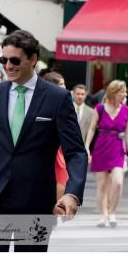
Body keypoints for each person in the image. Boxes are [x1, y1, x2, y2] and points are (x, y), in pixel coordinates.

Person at [0, 30, 87, 252]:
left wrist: (72, 193)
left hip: (36, 203)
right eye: (3, 60)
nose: (7, 66)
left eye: (14, 60)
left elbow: (76, 152)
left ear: (33, 59)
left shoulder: (57, 98)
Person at [84, 79, 128, 227]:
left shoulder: (127, 110)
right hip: (101, 147)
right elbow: (92, 128)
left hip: (118, 148)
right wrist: (86, 147)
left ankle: (112, 212)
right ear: (114, 93)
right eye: (122, 91)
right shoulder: (100, 108)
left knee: (117, 182)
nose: (125, 94)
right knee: (102, 185)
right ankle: (103, 215)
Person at [42, 71, 71, 202]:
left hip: (59, 149)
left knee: (61, 185)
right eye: (61, 84)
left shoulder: (64, 102)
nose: (64, 87)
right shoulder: (41, 103)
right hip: (42, 148)